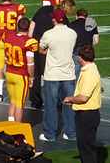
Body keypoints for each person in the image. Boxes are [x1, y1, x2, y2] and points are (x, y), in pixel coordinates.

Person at [38, 8, 77, 142]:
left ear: (54, 20)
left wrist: (48, 51)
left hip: (53, 74)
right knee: (69, 105)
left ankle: (50, 134)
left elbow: (41, 49)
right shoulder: (72, 33)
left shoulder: (48, 34)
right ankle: (71, 133)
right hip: (68, 73)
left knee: (51, 105)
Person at [63, 43, 102, 163]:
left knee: (86, 148)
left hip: (87, 115)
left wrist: (70, 99)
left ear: (80, 57)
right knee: (85, 146)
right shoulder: (88, 69)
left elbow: (83, 97)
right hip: (86, 114)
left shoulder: (89, 73)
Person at [3, 17, 38, 122]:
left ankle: (10, 124)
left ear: (18, 26)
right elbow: (30, 64)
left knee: (13, 101)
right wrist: (32, 77)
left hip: (9, 72)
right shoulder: (28, 42)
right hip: (21, 75)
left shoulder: (8, 37)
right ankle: (17, 129)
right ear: (28, 28)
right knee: (19, 103)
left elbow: (5, 57)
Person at [68, 8, 99, 78]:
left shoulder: (71, 25)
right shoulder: (91, 25)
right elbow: (96, 40)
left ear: (76, 16)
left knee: (76, 76)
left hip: (76, 53)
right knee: (88, 76)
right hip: (88, 53)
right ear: (86, 17)